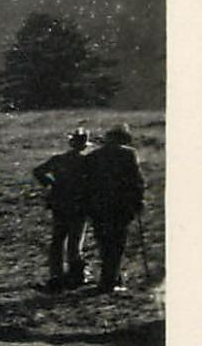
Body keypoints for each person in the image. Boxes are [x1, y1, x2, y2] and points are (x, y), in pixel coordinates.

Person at [83, 123, 146, 293]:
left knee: (104, 243)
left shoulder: (93, 156)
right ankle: (109, 281)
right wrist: (139, 201)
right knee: (117, 243)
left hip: (98, 206)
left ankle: (111, 277)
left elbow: (85, 183)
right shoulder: (128, 154)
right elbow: (136, 180)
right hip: (120, 205)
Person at [32, 128, 92, 290]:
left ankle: (56, 275)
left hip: (60, 203)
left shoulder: (59, 159)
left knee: (58, 240)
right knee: (75, 241)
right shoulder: (88, 162)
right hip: (79, 205)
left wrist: (51, 184)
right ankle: (76, 275)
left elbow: (38, 171)